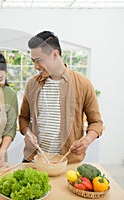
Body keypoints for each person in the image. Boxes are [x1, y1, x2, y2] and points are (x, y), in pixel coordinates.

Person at [19, 31, 104, 163]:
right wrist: (27, 133)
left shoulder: (83, 84)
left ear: (55, 54)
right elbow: (23, 118)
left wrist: (87, 140)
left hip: (67, 162)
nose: (36, 67)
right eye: (33, 61)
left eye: (39, 60)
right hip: (34, 160)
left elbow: (96, 123)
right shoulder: (32, 84)